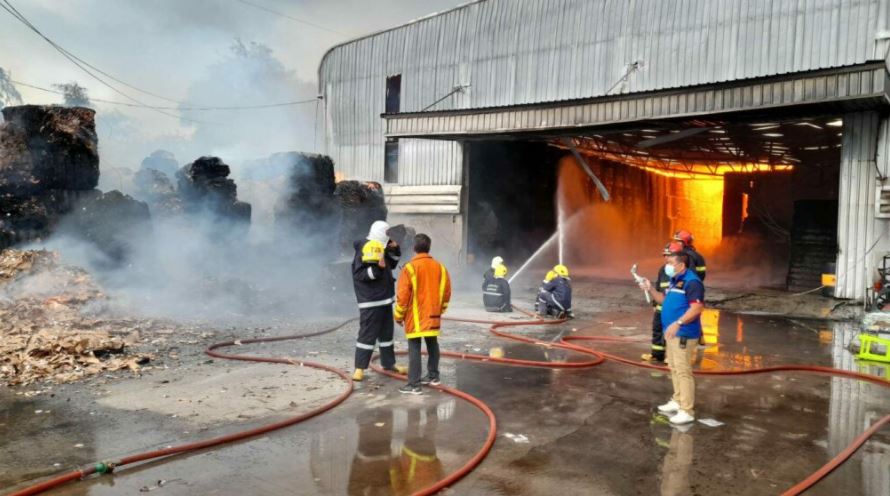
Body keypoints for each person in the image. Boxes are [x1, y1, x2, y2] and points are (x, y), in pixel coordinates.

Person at [639, 247, 705, 425]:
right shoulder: (675, 281)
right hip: (672, 333)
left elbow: (697, 308)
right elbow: (663, 300)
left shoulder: (692, 282)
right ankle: (677, 400)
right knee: (674, 367)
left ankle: (687, 410)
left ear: (681, 265)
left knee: (683, 371)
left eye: (670, 263)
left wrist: (678, 323)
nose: (667, 265)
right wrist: (650, 289)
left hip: (683, 333)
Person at [394, 233, 452, 395]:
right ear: (429, 247)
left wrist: (398, 316)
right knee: (432, 343)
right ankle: (433, 376)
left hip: (415, 317)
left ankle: (414, 384)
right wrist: (441, 309)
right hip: (433, 314)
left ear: (414, 248)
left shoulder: (410, 268)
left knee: (414, 347)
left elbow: (403, 295)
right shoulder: (440, 267)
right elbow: (446, 291)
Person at [351, 220, 406, 382]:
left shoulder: (381, 246)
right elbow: (360, 275)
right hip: (371, 301)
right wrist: (378, 269)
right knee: (367, 335)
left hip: (385, 300)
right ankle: (359, 368)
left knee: (386, 335)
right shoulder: (366, 248)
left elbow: (393, 264)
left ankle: (389, 364)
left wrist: (395, 248)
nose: (389, 239)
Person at [641, 242, 681, 363]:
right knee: (657, 330)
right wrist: (655, 303)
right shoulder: (663, 270)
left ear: (677, 256)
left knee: (672, 333)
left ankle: (672, 357)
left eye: (668, 255)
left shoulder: (682, 271)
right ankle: (657, 354)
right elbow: (658, 287)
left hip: (673, 309)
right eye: (664, 255)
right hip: (661, 306)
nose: (666, 258)